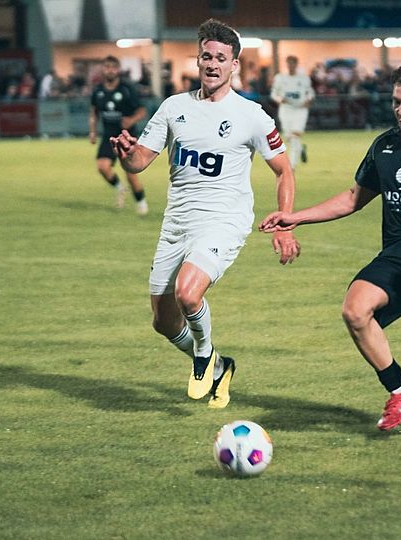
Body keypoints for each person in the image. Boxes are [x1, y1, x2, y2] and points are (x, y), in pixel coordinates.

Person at [260, 60, 401, 443]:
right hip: (400, 252)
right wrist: (294, 217)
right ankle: (400, 393)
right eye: (397, 102)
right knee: (355, 310)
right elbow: (353, 198)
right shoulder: (385, 145)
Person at [110, 19, 300, 408]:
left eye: (221, 58)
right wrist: (127, 155)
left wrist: (285, 222)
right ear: (198, 60)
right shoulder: (173, 108)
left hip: (223, 221)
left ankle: (203, 355)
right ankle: (219, 366)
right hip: (177, 223)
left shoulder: (251, 115)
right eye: (206, 56)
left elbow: (284, 171)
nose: (212, 64)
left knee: (188, 292)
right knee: (163, 322)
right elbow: (139, 161)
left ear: (235, 65)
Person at [90, 55, 149, 215]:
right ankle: (120, 188)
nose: (110, 70)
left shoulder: (127, 89)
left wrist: (131, 120)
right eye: (107, 67)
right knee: (103, 167)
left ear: (118, 70)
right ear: (103, 70)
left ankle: (141, 203)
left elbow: (142, 111)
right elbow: (94, 112)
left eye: (113, 67)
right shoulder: (98, 90)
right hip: (108, 135)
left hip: (126, 136)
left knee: (131, 174)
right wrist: (93, 131)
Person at [270, 55, 315, 168]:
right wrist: (280, 100)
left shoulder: (304, 78)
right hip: (286, 109)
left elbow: (310, 92)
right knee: (289, 136)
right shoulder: (280, 78)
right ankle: (300, 149)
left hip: (300, 110)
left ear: (296, 64)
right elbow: (274, 94)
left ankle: (292, 165)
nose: (291, 66)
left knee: (295, 135)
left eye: (293, 63)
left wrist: (308, 100)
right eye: (289, 63)